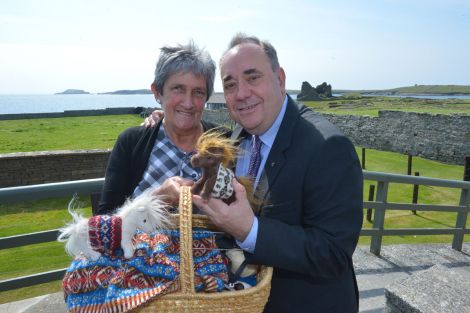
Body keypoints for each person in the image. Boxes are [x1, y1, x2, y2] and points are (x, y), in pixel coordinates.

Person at [191, 34, 364, 313]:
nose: (241, 93)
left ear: (280, 79)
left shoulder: (329, 147)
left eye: (252, 77)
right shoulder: (238, 136)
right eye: (230, 84)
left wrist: (250, 231)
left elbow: (333, 254)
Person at [98, 41, 223, 214]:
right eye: (178, 89)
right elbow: (104, 219)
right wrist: (157, 198)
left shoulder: (226, 141)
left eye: (198, 92)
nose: (188, 103)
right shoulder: (132, 142)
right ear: (157, 92)